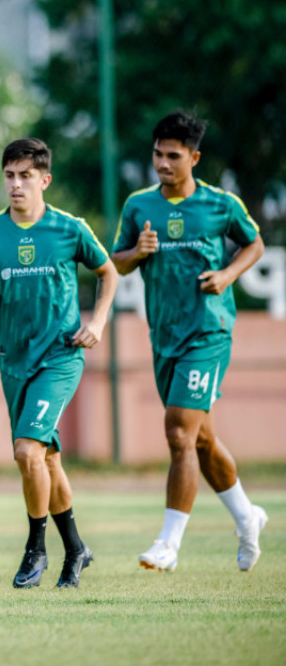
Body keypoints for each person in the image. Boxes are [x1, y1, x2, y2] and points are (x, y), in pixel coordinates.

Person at [0, 138, 116, 589]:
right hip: (14, 363)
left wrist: (97, 321)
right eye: (9, 176)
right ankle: (77, 547)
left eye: (26, 176)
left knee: (26, 452)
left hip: (60, 357)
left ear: (45, 180)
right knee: (45, 460)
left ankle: (35, 548)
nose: (16, 184)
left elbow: (108, 271)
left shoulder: (69, 229)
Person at [112, 112, 267, 572]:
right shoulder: (139, 206)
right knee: (200, 440)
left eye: (173, 156)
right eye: (157, 154)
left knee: (179, 430)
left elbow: (254, 244)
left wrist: (227, 274)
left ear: (194, 158)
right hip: (164, 335)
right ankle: (247, 516)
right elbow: (117, 262)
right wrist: (136, 253)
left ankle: (168, 543)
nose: (162, 163)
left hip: (208, 332)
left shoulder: (221, 204)